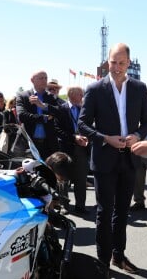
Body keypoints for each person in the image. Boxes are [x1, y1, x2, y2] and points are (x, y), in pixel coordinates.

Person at [78, 43, 147, 276]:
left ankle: (118, 256)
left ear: (129, 63)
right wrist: (104, 138)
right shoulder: (95, 89)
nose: (117, 67)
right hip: (104, 159)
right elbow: (82, 123)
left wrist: (138, 135)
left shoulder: (140, 88)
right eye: (113, 62)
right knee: (104, 211)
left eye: (121, 63)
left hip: (129, 160)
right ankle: (103, 263)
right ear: (106, 62)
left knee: (122, 212)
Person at [55, 86, 89, 214]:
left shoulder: (83, 109)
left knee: (81, 178)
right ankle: (63, 205)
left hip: (81, 149)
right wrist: (74, 137)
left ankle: (81, 206)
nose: (82, 96)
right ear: (72, 94)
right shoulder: (61, 109)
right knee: (63, 178)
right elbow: (57, 130)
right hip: (65, 148)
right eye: (81, 94)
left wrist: (86, 137)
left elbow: (88, 126)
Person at [16, 70, 60, 160]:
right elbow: (22, 116)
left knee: (48, 172)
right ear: (32, 80)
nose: (44, 80)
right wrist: (44, 118)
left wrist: (43, 106)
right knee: (28, 172)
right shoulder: (23, 96)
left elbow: (59, 112)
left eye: (46, 78)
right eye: (41, 78)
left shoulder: (51, 97)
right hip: (29, 143)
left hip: (48, 144)